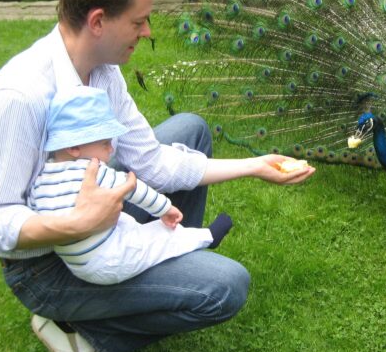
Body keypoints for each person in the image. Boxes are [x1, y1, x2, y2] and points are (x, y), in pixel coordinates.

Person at [0, 0, 315, 352]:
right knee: (226, 287)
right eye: (138, 21)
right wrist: (75, 225)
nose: (147, 31)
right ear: (98, 22)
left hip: (98, 228)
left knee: (191, 130)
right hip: (47, 266)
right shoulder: (17, 99)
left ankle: (165, 263)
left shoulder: (102, 71)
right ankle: (81, 329)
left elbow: (152, 164)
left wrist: (255, 165)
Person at [32, 85, 234, 285]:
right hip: (110, 262)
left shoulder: (41, 181)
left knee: (132, 225)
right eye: (104, 143)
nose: (111, 149)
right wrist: (165, 209)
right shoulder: (92, 172)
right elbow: (135, 189)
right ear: (74, 148)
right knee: (159, 243)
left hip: (79, 266)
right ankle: (206, 237)